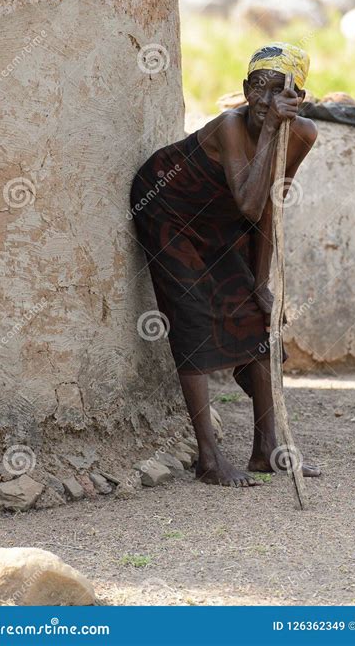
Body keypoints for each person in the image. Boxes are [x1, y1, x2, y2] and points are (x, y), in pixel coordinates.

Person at [130, 42, 320, 487]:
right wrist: (272, 130)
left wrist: (261, 282)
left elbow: (269, 207)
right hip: (168, 206)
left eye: (279, 91)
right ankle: (210, 460)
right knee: (192, 318)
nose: (264, 100)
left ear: (298, 99)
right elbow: (250, 205)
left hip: (221, 216)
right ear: (244, 91)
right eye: (256, 89)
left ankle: (267, 447)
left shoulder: (304, 134)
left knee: (258, 319)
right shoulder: (232, 127)